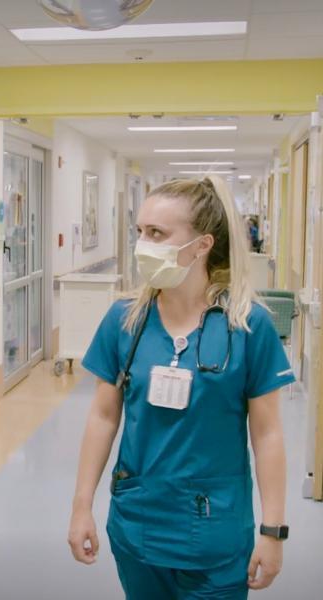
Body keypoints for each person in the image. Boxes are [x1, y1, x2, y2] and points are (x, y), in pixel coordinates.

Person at [68, 177, 294, 599]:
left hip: (217, 535)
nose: (142, 244)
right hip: (137, 527)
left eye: (157, 233)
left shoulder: (247, 326)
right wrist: (81, 505)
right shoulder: (125, 321)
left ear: (202, 244)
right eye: (139, 231)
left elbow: (268, 435)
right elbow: (102, 416)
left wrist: (273, 530)